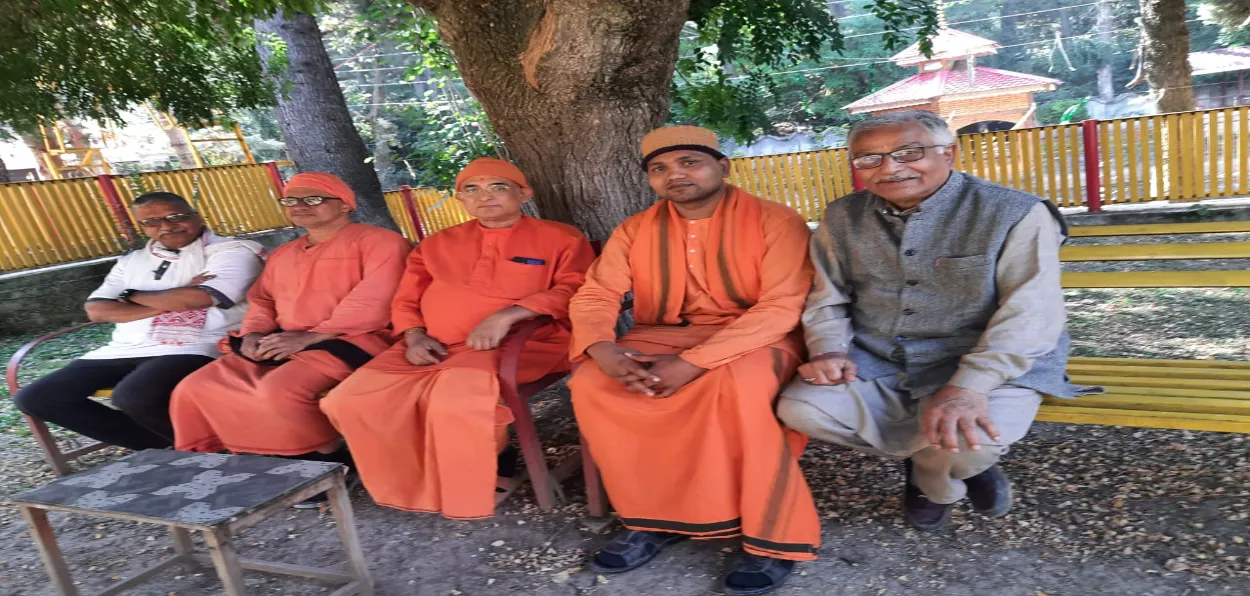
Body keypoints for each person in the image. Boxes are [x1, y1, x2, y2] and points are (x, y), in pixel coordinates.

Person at [776, 110, 1084, 532]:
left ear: (950, 154)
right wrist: (828, 348)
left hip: (987, 363)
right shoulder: (842, 217)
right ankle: (936, 458)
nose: (890, 167)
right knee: (801, 409)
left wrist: (969, 387)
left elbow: (1032, 313)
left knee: (970, 442)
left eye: (910, 152)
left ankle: (929, 480)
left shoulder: (1015, 212)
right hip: (881, 357)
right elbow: (828, 295)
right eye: (869, 158)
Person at [568, 126, 820, 595]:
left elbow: (781, 307)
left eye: (689, 162)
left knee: (737, 387)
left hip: (755, 338)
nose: (674, 175)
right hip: (659, 336)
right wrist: (601, 349)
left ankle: (771, 537)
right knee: (594, 385)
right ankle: (654, 520)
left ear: (722, 167)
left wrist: (693, 363)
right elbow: (597, 293)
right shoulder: (635, 229)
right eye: (659, 169)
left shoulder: (775, 220)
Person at [321, 158, 595, 520]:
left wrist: (510, 315)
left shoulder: (561, 237)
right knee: (348, 400)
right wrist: (414, 336)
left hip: (523, 343)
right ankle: (408, 484)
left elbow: (576, 288)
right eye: (472, 189)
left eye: (498, 187)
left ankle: (475, 482)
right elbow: (405, 299)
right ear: (461, 199)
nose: (485, 197)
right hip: (432, 345)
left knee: (453, 401)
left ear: (523, 193)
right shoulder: (437, 244)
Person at [170, 172, 411, 463]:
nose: (299, 206)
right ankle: (252, 458)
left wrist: (312, 336)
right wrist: (253, 333)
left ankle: (328, 459)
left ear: (346, 204)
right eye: (291, 200)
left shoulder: (381, 242)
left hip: (355, 339)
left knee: (278, 392)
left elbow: (376, 297)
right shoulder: (283, 254)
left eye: (313, 199)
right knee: (195, 387)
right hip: (283, 340)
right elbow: (262, 299)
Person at [13, 192, 264, 451]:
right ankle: (159, 443)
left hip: (196, 344)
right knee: (37, 398)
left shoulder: (232, 251)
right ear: (142, 227)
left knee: (133, 395)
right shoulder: (132, 261)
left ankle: (212, 449)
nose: (166, 226)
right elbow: (97, 311)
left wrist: (130, 296)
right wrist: (170, 298)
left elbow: (200, 298)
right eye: (152, 222)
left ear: (197, 217)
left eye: (176, 216)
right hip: (125, 347)